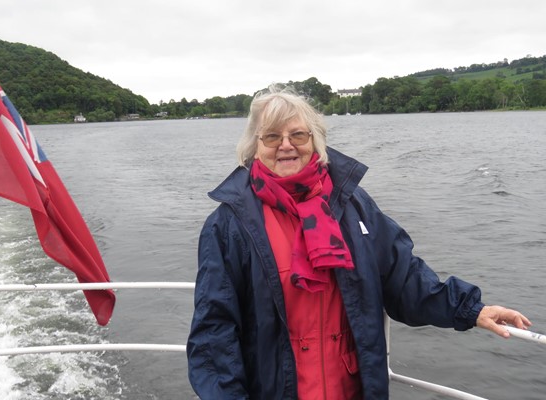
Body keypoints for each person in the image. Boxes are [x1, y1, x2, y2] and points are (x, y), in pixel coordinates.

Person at [186, 85, 531, 399]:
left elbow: (404, 277)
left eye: (298, 134)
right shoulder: (229, 225)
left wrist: (470, 309)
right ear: (254, 146)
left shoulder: (352, 205)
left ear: (316, 141)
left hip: (351, 389)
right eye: (272, 136)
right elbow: (214, 331)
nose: (286, 145)